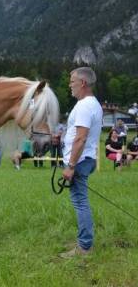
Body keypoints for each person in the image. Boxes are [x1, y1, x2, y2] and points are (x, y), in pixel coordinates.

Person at [59, 67, 102, 258]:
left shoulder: (85, 106)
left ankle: (84, 247)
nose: (70, 85)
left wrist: (70, 166)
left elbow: (81, 139)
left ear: (83, 83)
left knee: (80, 202)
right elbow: (77, 135)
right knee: (81, 200)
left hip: (80, 161)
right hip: (86, 159)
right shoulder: (92, 104)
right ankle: (84, 242)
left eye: (72, 81)